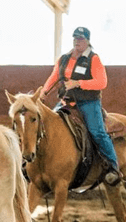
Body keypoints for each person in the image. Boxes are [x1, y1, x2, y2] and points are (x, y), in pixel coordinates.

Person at [40, 26, 121, 185]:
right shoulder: (64, 58)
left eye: (81, 39)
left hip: (88, 103)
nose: (78, 41)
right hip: (66, 101)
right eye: (76, 38)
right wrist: (44, 92)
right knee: (46, 124)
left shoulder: (93, 58)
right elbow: (54, 77)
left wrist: (79, 83)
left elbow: (101, 82)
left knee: (97, 132)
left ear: (87, 41)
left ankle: (113, 167)